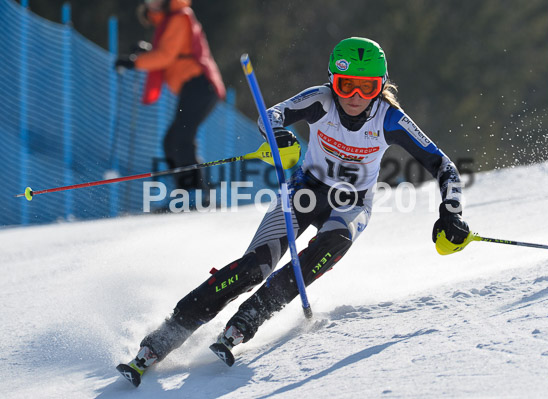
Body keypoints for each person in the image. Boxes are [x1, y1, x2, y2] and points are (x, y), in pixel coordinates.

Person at [117, 37, 470, 386]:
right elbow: (270, 116)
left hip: (351, 203)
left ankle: (251, 316)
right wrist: (279, 136)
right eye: (347, 86)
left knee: (333, 242)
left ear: (381, 87)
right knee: (256, 266)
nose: (355, 97)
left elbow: (443, 165)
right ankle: (166, 334)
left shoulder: (390, 118)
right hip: (304, 191)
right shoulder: (321, 100)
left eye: (368, 87)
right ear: (334, 81)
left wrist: (451, 211)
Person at [115, 0, 225, 199]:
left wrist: (135, 62)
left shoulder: (180, 17)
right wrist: (146, 53)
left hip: (200, 84)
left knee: (180, 139)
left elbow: (166, 56)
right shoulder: (167, 21)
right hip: (194, 87)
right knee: (172, 141)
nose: (152, 3)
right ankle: (190, 192)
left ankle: (196, 195)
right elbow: (172, 53)